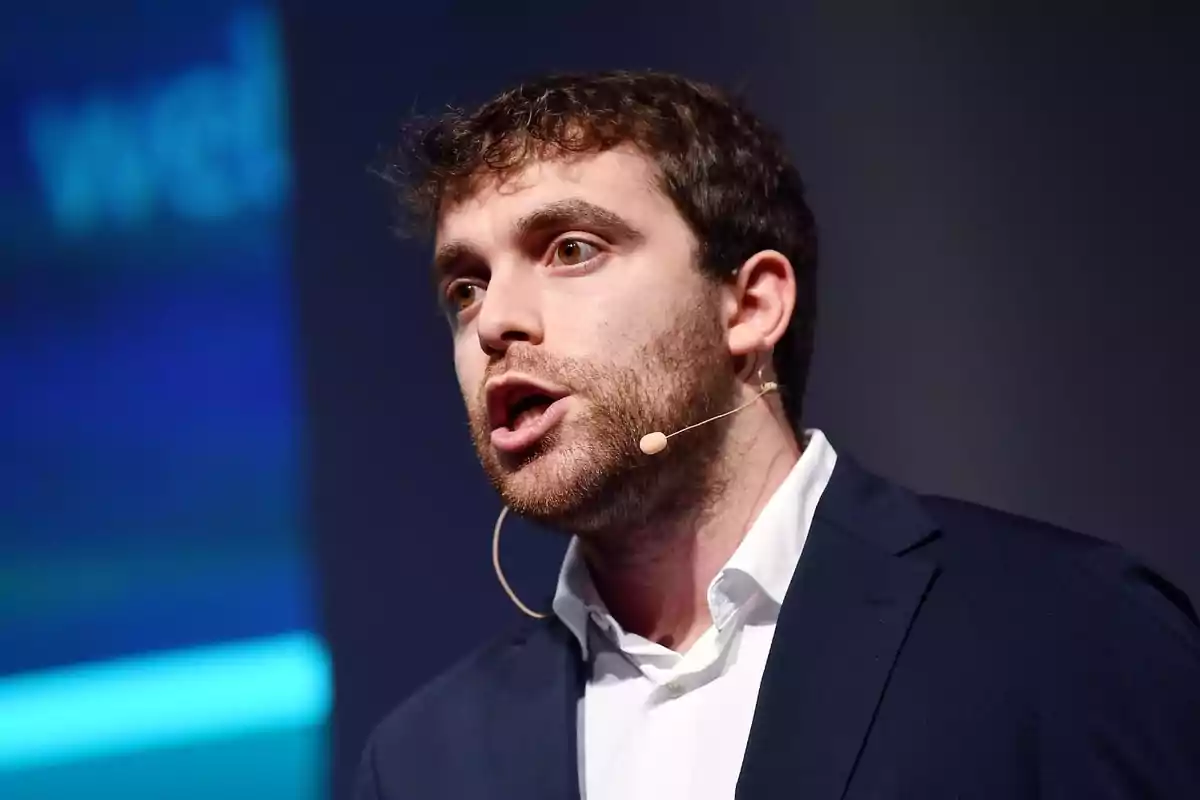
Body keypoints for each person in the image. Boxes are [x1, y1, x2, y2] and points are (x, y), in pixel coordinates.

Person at [355, 70, 1200, 799]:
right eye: (465, 287)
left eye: (572, 249)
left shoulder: (1062, 632)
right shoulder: (426, 760)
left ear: (751, 305)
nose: (496, 321)